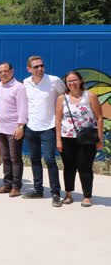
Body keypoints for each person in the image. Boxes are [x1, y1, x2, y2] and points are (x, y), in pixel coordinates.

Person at [22, 56, 65, 207]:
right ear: (29, 69)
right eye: (36, 67)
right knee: (34, 160)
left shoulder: (54, 80)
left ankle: (55, 193)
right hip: (31, 128)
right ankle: (38, 190)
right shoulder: (26, 83)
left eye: (41, 66)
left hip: (49, 127)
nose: (40, 69)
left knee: (49, 160)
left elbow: (64, 96)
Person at [56, 71, 103, 207]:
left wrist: (99, 139)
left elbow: (99, 117)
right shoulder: (62, 98)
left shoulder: (90, 96)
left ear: (81, 80)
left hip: (87, 138)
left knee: (85, 167)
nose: (72, 83)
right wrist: (58, 140)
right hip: (67, 137)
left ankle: (87, 196)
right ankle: (68, 194)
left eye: (75, 80)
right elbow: (58, 120)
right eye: (69, 81)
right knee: (69, 167)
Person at [0, 63, 28, 197]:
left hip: (14, 129)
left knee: (15, 158)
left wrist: (20, 127)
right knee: (6, 158)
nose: (3, 74)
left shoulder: (19, 87)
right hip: (0, 128)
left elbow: (23, 108)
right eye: (0, 72)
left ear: (12, 71)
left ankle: (16, 186)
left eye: (6, 71)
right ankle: (7, 184)